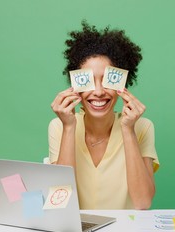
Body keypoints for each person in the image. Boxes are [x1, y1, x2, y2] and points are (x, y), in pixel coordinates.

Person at [49, 21, 159, 210]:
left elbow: (143, 202)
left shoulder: (142, 127)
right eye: (89, 81)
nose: (99, 92)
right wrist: (68, 128)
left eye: (106, 81)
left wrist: (127, 129)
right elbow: (61, 202)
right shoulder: (58, 126)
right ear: (76, 86)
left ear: (121, 85)